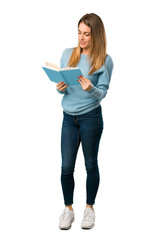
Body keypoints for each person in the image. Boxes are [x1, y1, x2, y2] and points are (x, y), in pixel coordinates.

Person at [56, 13, 114, 230]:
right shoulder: (67, 54)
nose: (81, 38)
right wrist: (59, 87)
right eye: (79, 33)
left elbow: (103, 93)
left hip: (91, 118)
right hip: (68, 118)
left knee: (90, 164)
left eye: (87, 34)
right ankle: (68, 209)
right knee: (66, 167)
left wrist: (91, 89)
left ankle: (89, 209)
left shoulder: (104, 60)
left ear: (96, 35)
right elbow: (64, 84)